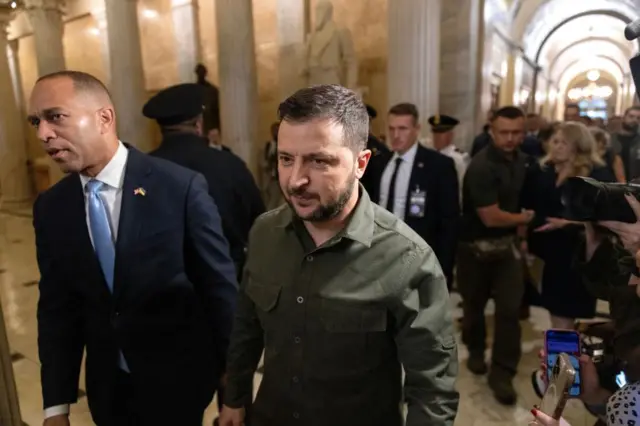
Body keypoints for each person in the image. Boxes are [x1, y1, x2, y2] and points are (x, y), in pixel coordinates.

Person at [219, 84, 459, 426]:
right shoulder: (264, 233)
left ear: (361, 163)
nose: (296, 180)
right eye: (286, 159)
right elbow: (247, 324)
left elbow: (433, 389)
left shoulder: (407, 258)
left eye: (319, 161)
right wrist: (235, 397)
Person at [29, 71, 238, 426]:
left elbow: (220, 293)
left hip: (179, 387)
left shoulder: (180, 188)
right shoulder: (51, 207)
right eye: (36, 121)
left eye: (55, 116)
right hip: (108, 394)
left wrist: (234, 389)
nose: (43, 134)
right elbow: (57, 310)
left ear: (104, 118)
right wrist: (56, 406)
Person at [144, 83, 265, 276]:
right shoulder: (229, 164)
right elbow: (258, 222)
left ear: (162, 128)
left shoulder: (141, 169)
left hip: (164, 285)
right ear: (199, 124)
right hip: (228, 278)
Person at [457, 106, 535, 405]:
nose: (511, 139)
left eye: (517, 133)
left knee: (509, 312)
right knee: (474, 308)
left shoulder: (523, 162)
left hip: (506, 251)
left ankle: (502, 373)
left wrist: (523, 236)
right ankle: (476, 351)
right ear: (492, 131)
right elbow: (490, 217)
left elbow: (519, 200)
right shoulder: (481, 166)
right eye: (504, 132)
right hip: (473, 250)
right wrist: (525, 219)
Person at [522, 122, 614, 329]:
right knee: (556, 315)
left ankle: (563, 360)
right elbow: (532, 204)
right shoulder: (544, 171)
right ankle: (561, 359)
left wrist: (568, 223)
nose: (557, 146)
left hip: (576, 255)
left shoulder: (596, 175)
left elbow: (607, 217)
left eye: (564, 142)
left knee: (564, 317)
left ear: (579, 145)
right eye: (555, 141)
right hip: (547, 254)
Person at [364, 103, 460, 289]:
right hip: (381, 256)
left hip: (419, 259)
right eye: (391, 129)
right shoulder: (380, 162)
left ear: (416, 129)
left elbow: (450, 221)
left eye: (403, 129)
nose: (396, 135)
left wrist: (444, 268)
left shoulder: (438, 166)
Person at [427, 113, 469, 201]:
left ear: (450, 135)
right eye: (435, 133)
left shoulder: (457, 158)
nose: (437, 137)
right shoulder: (428, 154)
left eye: (441, 133)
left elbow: (461, 187)